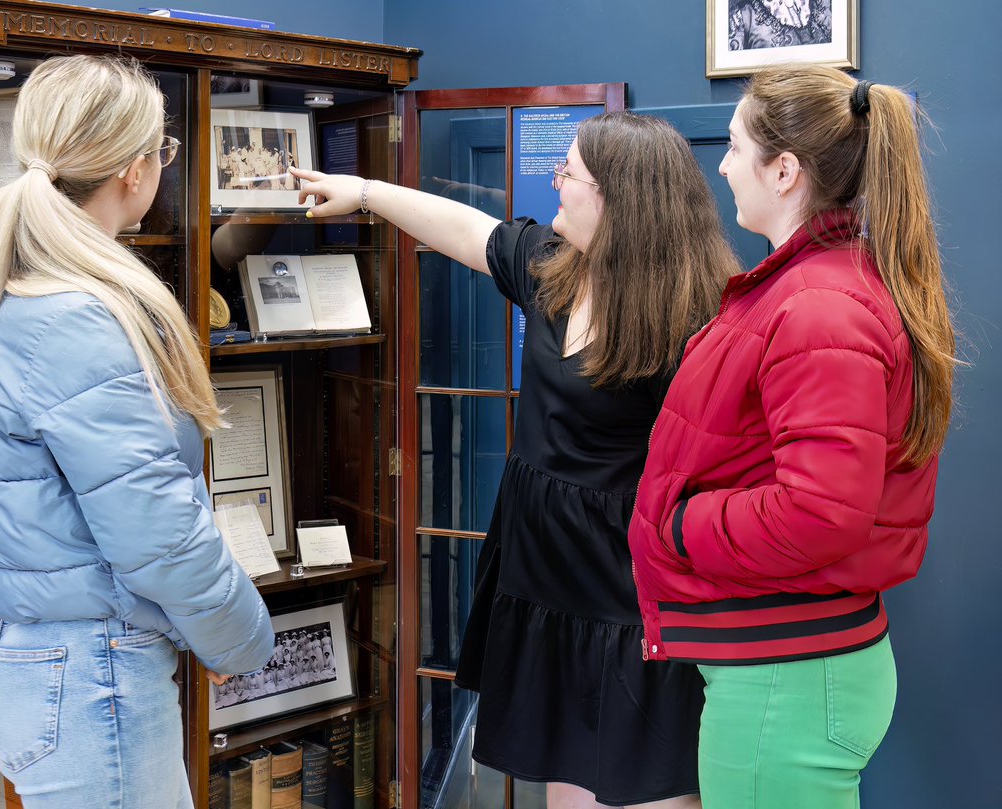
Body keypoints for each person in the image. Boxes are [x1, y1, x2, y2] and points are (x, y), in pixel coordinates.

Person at [292, 110, 740, 809]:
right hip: (542, 575)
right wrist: (368, 190)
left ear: (620, 199)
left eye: (571, 173)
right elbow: (470, 231)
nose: (556, 181)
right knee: (562, 777)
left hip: (630, 595)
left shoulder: (696, 316)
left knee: (646, 781)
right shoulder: (554, 272)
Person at [0, 55, 274, 808]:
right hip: (97, 682)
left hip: (50, 667)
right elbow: (156, 533)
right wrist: (241, 641)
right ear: (135, 170)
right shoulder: (80, 319)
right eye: (165, 151)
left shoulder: (8, 295)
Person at [627, 66, 956, 809]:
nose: (721, 164)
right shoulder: (811, 288)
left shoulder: (817, 308)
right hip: (791, 669)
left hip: (787, 678)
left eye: (736, 147)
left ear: (784, 170)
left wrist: (680, 524)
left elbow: (818, 514)